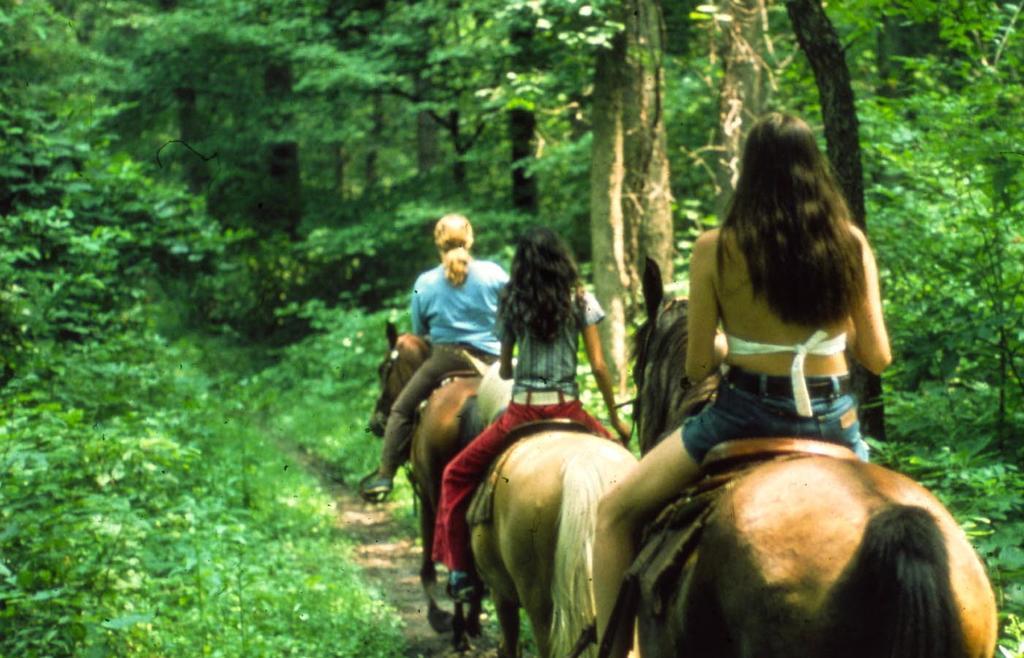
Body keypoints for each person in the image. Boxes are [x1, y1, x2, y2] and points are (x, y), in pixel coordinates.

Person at [592, 112, 892, 657]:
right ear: (815, 167)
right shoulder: (850, 243)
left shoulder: (716, 248)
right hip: (835, 426)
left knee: (612, 513)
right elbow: (878, 356)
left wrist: (743, 347)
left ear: (750, 172)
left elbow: (698, 365)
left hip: (743, 417)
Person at [432, 226, 631, 601]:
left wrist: (514, 365)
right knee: (629, 472)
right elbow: (601, 366)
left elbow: (505, 368)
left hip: (521, 413)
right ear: (562, 260)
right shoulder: (581, 300)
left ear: (522, 264)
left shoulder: (512, 300)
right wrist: (615, 417)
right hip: (569, 408)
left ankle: (461, 572)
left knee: (455, 475)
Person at [360, 214, 509, 501]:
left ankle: (385, 474)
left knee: (401, 410)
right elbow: (510, 315)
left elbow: (419, 331)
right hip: (493, 364)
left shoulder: (424, 282)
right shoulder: (495, 274)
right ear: (471, 239)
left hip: (443, 360)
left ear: (437, 242)